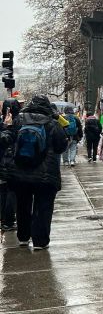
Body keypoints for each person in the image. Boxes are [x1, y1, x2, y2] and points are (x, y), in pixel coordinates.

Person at [0, 96, 68, 250]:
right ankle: (40, 241)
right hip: (46, 174)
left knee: (23, 205)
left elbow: (10, 139)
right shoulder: (52, 123)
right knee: (43, 206)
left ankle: (23, 237)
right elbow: (61, 146)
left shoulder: (18, 120)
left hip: (20, 172)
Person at [0, 99, 20, 232]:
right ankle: (8, 220)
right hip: (11, 161)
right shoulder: (15, 122)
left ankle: (4, 218)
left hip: (2, 162)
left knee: (3, 190)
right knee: (11, 192)